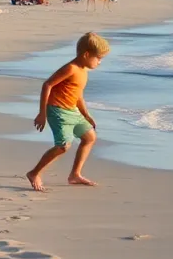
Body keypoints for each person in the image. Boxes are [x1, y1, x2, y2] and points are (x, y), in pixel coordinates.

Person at [26, 32, 110, 192]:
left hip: (73, 111)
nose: (99, 62)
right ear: (86, 54)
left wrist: (86, 115)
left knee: (90, 137)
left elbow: (78, 95)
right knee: (63, 146)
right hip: (57, 111)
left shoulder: (83, 71)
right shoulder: (71, 68)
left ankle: (75, 174)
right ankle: (34, 173)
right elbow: (47, 85)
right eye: (98, 58)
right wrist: (42, 113)